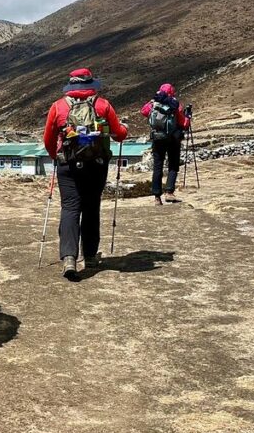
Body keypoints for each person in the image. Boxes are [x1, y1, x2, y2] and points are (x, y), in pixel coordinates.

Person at [43, 68, 128, 281]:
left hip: (68, 165)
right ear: (91, 84)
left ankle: (69, 258)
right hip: (96, 165)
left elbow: (48, 138)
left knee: (70, 207)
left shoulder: (58, 106)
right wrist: (124, 129)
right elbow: (119, 134)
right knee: (91, 207)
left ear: (71, 86)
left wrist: (56, 155)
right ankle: (90, 256)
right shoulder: (103, 105)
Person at [140, 83, 190, 205]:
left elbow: (143, 111)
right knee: (173, 165)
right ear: (172, 92)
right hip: (173, 139)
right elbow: (184, 123)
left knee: (158, 167)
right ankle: (169, 192)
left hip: (157, 139)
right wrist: (188, 116)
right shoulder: (175, 104)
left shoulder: (153, 103)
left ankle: (157, 197)